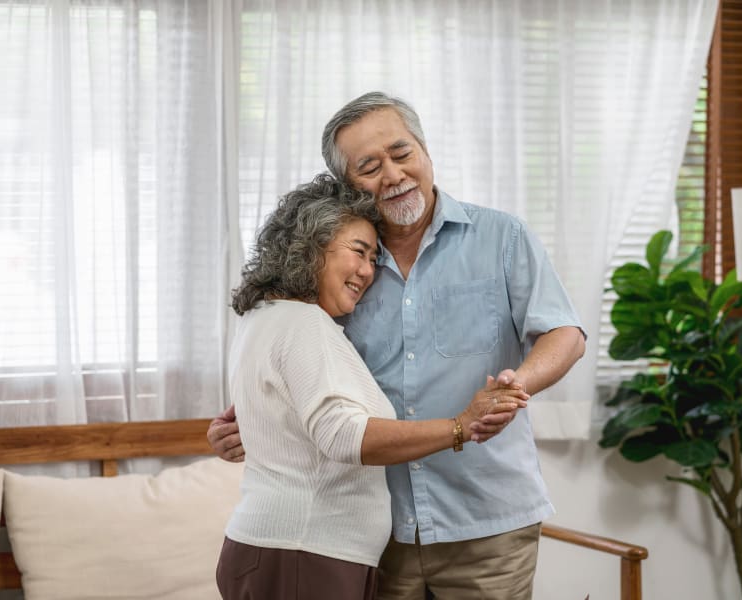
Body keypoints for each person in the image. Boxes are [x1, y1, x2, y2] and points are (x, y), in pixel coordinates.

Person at [210, 92, 586, 600]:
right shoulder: (338, 269)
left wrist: (518, 383)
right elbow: (299, 366)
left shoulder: (503, 237)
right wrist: (257, 422)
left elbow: (565, 333)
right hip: (380, 533)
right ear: (348, 185)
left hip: (486, 522)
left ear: (425, 150)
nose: (392, 174)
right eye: (369, 166)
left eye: (401, 153)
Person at [215, 173, 525, 600]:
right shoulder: (303, 323)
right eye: (359, 252)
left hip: (283, 549)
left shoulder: (263, 317)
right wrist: (461, 425)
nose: (367, 272)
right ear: (309, 246)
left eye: (373, 260)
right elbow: (343, 436)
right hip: (306, 554)